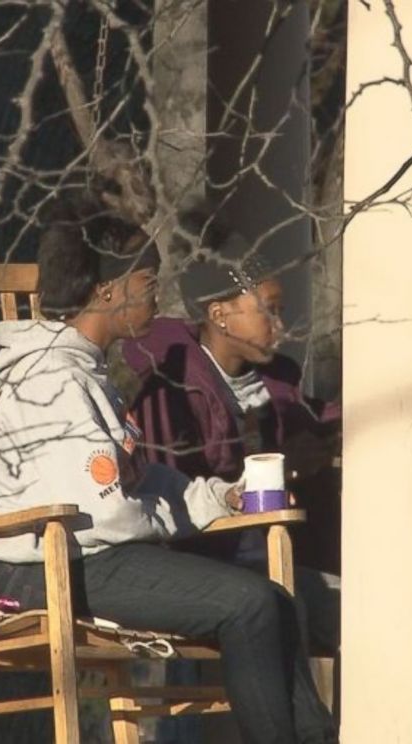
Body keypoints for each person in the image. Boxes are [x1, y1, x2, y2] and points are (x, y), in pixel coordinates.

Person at [0, 191, 337, 744]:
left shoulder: (87, 374)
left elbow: (129, 481)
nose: (156, 295)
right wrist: (170, 516)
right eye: (147, 282)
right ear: (107, 290)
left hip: (82, 551)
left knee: (272, 595)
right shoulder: (57, 381)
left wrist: (216, 498)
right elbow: (110, 514)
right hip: (35, 566)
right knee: (247, 604)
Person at [123, 207, 342, 579]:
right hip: (212, 562)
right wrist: (283, 468)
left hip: (281, 552)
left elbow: (318, 418)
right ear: (220, 314)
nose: (280, 327)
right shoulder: (177, 390)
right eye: (268, 312)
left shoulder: (277, 380)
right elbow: (181, 488)